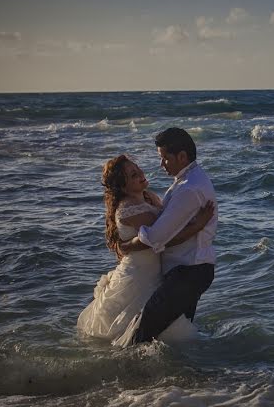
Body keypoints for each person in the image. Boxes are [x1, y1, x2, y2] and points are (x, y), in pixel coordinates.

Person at [77, 154, 214, 346]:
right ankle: (130, 354)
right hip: (139, 272)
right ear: (123, 187)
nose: (141, 174)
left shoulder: (149, 197)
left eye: (138, 169)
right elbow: (164, 238)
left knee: (157, 320)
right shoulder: (128, 209)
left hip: (154, 270)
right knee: (136, 323)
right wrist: (198, 225)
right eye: (133, 175)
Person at [112, 128, 218, 346]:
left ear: (181, 156)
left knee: (139, 334)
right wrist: (196, 226)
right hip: (189, 270)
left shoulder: (189, 187)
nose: (161, 165)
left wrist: (127, 246)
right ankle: (182, 378)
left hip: (188, 271)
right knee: (176, 336)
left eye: (165, 159)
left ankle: (123, 375)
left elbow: (157, 236)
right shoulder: (189, 179)